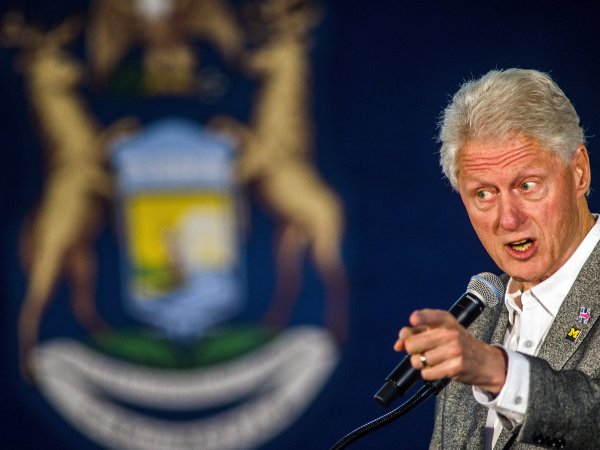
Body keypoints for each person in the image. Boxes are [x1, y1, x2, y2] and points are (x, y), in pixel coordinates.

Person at [393, 68, 600, 449]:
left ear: (579, 172)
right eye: (484, 194)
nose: (508, 219)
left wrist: (496, 371)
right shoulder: (477, 325)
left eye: (527, 185)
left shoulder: (477, 356)